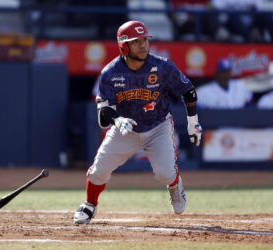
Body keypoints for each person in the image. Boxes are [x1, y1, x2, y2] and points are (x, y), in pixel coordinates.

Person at [73, 20, 202, 224]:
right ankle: (89, 205)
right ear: (124, 46)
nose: (143, 45)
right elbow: (103, 112)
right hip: (126, 129)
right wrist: (117, 119)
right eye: (136, 41)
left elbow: (188, 90)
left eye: (144, 40)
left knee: (165, 174)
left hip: (157, 126)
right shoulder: (110, 72)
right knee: (99, 171)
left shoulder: (162, 66)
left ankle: (175, 186)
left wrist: (192, 121)